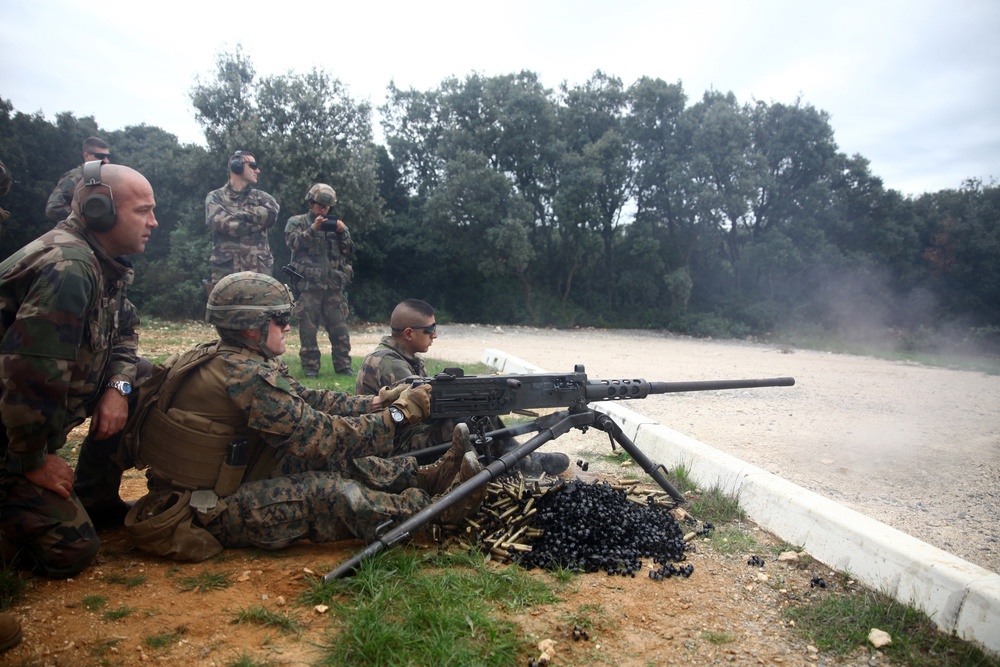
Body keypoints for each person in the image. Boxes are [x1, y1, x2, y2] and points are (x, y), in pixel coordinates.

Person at [123, 272, 484, 560]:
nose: (289, 326)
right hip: (202, 508)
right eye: (281, 319)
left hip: (235, 476)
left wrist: (375, 403)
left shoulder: (238, 356)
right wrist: (400, 415)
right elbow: (320, 438)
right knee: (329, 490)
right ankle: (435, 511)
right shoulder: (245, 375)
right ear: (251, 327)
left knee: (350, 465)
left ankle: (428, 478)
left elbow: (308, 398)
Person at [0, 163, 157, 579]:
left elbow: (125, 332)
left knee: (143, 376)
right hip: (11, 437)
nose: (153, 222)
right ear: (100, 211)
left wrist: (117, 389)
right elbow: (28, 379)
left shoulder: (101, 263)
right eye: (143, 211)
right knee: (70, 551)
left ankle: (96, 497)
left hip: (20, 428)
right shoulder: (68, 267)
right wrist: (32, 461)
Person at [356, 299, 571, 477]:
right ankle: (520, 465)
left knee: (479, 410)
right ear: (409, 333)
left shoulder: (403, 358)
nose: (435, 335)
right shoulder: (388, 363)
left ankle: (518, 457)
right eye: (430, 329)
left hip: (407, 435)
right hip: (396, 445)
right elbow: (424, 409)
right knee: (468, 419)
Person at [284, 184, 355, 377]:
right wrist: (313, 229)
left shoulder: (337, 225)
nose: (323, 210)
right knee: (308, 331)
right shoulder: (297, 222)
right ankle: (310, 368)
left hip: (333, 287)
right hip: (309, 287)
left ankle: (343, 366)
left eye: (327, 206)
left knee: (340, 329)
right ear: (310, 203)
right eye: (319, 205)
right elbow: (292, 243)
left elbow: (348, 251)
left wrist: (342, 233)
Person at [204, 150, 279, 292]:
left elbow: (271, 215)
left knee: (261, 314)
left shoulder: (263, 198)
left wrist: (236, 214)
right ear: (237, 166)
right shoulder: (215, 197)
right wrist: (257, 222)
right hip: (227, 276)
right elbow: (219, 223)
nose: (257, 170)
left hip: (259, 275)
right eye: (253, 165)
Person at [44, 136, 111, 223]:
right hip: (78, 233)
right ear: (86, 156)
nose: (106, 161)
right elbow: (53, 207)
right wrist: (85, 218)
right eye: (101, 156)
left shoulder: (106, 178)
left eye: (107, 156)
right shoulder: (76, 177)